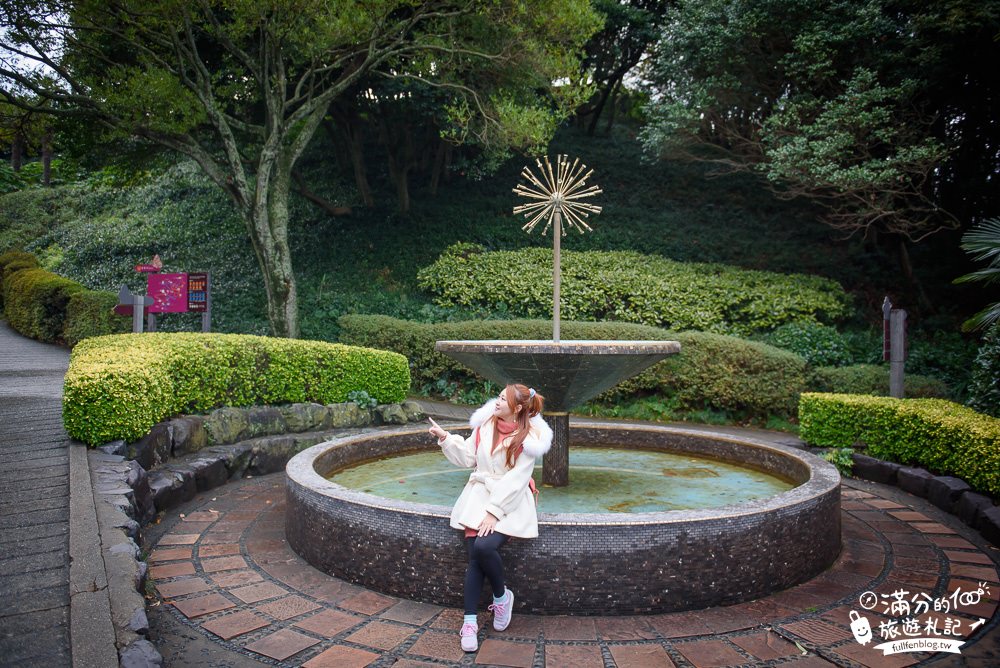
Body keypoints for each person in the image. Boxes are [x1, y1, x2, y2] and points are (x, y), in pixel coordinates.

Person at [428, 384, 551, 653]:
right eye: (497, 396)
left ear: (517, 408)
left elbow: (518, 479)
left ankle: (501, 597)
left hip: (511, 500)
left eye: (502, 399)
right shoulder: (485, 424)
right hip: (479, 495)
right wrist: (446, 438)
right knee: (475, 553)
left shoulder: (530, 437)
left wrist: (494, 511)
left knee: (484, 547)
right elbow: (470, 457)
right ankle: (471, 620)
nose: (496, 402)